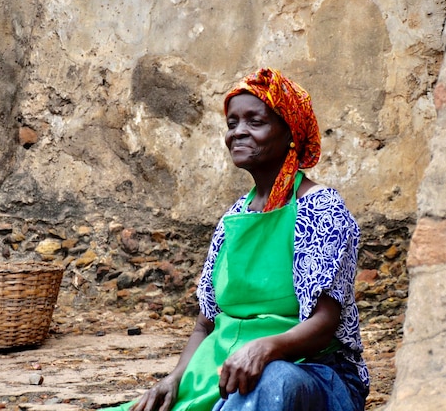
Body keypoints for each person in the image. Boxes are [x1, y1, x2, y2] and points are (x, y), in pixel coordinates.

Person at [104, 68, 369, 411]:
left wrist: (266, 348)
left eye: (254, 121)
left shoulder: (320, 210)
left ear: (290, 132)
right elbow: (205, 324)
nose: (238, 132)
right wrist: (175, 378)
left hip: (315, 376)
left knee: (273, 380)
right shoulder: (233, 218)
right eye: (232, 123)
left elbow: (323, 323)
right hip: (222, 380)